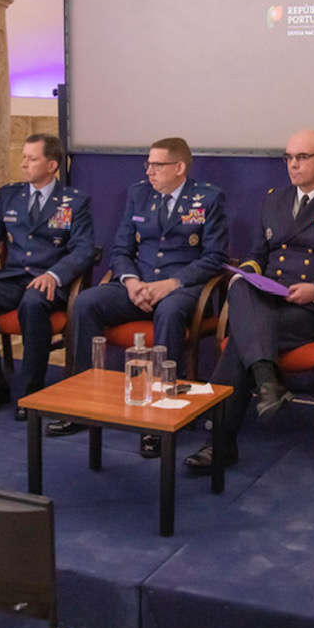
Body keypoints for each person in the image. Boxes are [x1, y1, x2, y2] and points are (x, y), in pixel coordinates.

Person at [184, 129, 314, 471]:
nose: (293, 165)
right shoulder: (274, 199)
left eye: (302, 157)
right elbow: (257, 255)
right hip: (268, 299)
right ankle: (266, 382)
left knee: (241, 339)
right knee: (239, 284)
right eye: (288, 158)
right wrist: (249, 273)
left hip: (311, 309)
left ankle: (222, 441)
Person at [66, 137, 229, 456]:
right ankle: (83, 401)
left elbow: (214, 257)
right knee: (86, 302)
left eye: (157, 165)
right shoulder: (138, 193)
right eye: (148, 164)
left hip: (181, 290)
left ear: (179, 168)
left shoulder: (208, 198)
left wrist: (172, 283)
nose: (149, 171)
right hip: (137, 284)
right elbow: (121, 249)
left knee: (168, 313)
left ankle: (159, 412)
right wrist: (130, 282)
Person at [0, 133, 96, 420]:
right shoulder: (9, 195)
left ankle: (32, 389)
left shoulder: (75, 201)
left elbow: (84, 251)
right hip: (12, 278)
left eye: (32, 159)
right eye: (23, 157)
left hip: (49, 282)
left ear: (51, 166)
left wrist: (55, 275)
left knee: (33, 304)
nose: (24, 164)